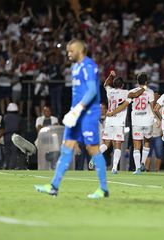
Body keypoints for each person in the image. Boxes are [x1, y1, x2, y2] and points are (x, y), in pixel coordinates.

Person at [34, 39, 108, 199]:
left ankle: (103, 189)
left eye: (71, 51)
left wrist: (78, 109)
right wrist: (73, 111)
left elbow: (92, 91)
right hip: (76, 113)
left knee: (92, 149)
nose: (68, 54)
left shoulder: (89, 66)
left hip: (88, 114)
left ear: (80, 51)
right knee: (66, 147)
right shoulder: (75, 67)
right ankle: (54, 186)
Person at [107, 73, 153, 174]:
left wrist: (112, 112)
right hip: (148, 121)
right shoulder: (150, 92)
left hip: (136, 121)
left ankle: (137, 169)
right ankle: (143, 163)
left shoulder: (131, 91)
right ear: (146, 82)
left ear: (137, 81)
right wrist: (157, 120)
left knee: (136, 145)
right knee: (147, 141)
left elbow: (125, 105)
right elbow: (153, 107)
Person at [3, 103, 22, 169]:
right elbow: (20, 128)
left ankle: (6, 165)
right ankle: (12, 167)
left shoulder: (5, 117)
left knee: (7, 152)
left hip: (7, 136)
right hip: (15, 136)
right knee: (14, 152)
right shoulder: (19, 117)